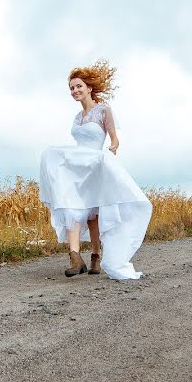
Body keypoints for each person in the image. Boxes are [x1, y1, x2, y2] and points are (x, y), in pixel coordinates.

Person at [39, 59, 152, 279]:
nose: (74, 91)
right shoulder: (77, 117)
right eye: (71, 88)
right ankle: (75, 257)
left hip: (96, 164)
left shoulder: (103, 110)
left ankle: (96, 256)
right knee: (73, 209)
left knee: (94, 217)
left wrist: (113, 146)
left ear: (89, 88)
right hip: (78, 167)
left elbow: (114, 138)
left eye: (78, 86)